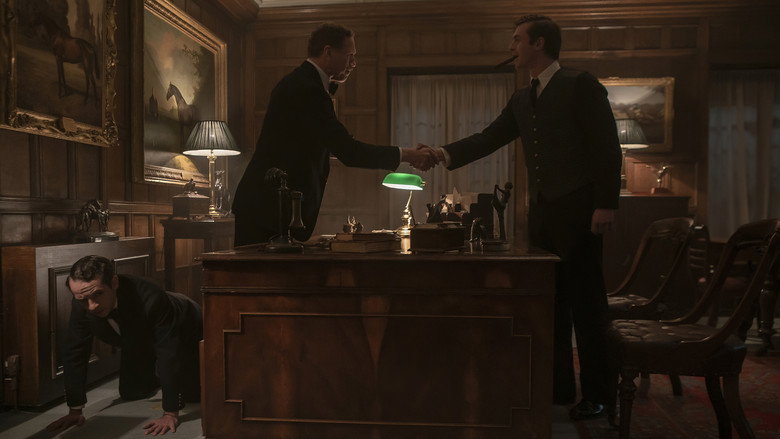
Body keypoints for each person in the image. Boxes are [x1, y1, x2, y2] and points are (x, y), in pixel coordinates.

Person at [423, 14, 622, 420]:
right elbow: (488, 138)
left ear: (539, 43)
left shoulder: (580, 85)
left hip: (581, 209)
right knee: (552, 302)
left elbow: (606, 146)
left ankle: (600, 393)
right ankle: (559, 387)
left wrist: (606, 203)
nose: (511, 47)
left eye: (517, 39)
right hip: (543, 212)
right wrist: (441, 154)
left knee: (587, 303)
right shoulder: (521, 98)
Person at [232, 22, 435, 246]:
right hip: (267, 211)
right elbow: (348, 151)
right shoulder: (306, 88)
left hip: (270, 209)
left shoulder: (304, 83)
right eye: (350, 56)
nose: (354, 64)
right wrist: (409, 155)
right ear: (328, 52)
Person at [46, 255, 202, 436]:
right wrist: (75, 410)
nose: (92, 306)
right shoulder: (83, 302)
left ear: (114, 283)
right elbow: (75, 351)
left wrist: (170, 413)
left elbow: (168, 352)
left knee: (193, 395)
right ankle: (157, 373)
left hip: (185, 325)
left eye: (98, 294)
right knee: (132, 392)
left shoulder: (151, 296)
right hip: (136, 338)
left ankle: (167, 376)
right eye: (83, 299)